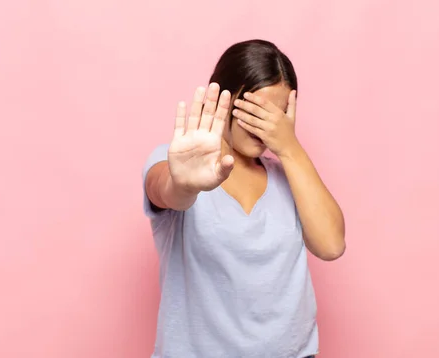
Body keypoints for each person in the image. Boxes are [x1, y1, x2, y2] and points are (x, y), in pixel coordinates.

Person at [142, 39, 346, 358]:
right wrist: (183, 184)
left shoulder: (290, 177)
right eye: (252, 109)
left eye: (275, 116)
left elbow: (331, 245)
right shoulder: (179, 163)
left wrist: (290, 148)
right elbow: (167, 191)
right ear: (222, 98)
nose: (262, 126)